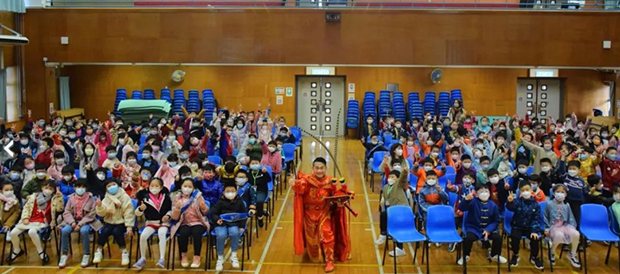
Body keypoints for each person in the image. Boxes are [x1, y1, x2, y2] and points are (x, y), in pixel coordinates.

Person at [290, 157, 351, 273]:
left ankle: (329, 260)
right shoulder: (307, 180)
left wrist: (341, 200)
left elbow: (337, 193)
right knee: (312, 241)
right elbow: (300, 187)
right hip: (309, 215)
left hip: (324, 212)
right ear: (312, 168)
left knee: (326, 233)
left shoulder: (330, 181)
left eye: (321, 168)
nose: (319, 171)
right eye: (316, 168)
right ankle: (315, 254)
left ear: (326, 168)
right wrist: (294, 184)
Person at [7, 180, 64, 265]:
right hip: (29, 220)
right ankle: (17, 250)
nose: (47, 190)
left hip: (43, 221)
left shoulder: (54, 198)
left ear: (53, 190)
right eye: (46, 188)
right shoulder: (33, 197)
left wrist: (60, 198)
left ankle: (41, 252)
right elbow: (26, 208)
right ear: (42, 188)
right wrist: (25, 218)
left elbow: (59, 209)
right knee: (13, 233)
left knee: (32, 232)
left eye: (50, 188)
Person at [58, 179, 102, 268]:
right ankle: (64, 254)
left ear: (86, 188)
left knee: (84, 231)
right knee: (65, 231)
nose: (80, 189)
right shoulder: (71, 198)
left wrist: (80, 224)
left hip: (87, 222)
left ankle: (86, 254)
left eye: (82, 187)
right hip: (72, 221)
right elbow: (66, 211)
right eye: (78, 187)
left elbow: (92, 214)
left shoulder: (91, 198)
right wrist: (72, 222)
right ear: (74, 188)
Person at [458, 184, 506, 265]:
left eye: (486, 191)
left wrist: (488, 230)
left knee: (498, 238)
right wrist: (466, 199)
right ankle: (466, 255)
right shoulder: (472, 202)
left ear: (489, 193)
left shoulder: (493, 205)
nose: (484, 193)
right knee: (468, 238)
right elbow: (461, 207)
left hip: (488, 229)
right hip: (474, 228)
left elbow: (496, 220)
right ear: (476, 194)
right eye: (481, 191)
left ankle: (495, 255)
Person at [93, 179, 135, 266]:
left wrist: (129, 226)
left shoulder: (124, 197)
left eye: (113, 184)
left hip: (122, 222)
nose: (112, 187)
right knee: (104, 231)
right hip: (109, 222)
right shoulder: (106, 198)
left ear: (118, 185)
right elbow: (102, 214)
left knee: (117, 232)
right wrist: (100, 206)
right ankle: (99, 251)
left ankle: (124, 253)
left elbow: (129, 212)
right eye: (109, 186)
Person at [170, 178, 210, 268]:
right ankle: (183, 255)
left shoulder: (198, 197)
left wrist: (203, 207)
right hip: (184, 223)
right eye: (185, 186)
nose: (187, 188)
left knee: (197, 233)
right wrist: (177, 209)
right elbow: (174, 217)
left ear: (193, 188)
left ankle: (197, 257)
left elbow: (205, 213)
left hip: (198, 222)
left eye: (189, 186)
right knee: (183, 233)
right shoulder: (176, 198)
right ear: (181, 187)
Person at [133, 178, 172, 269]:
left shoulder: (166, 197)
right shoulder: (145, 198)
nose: (154, 188)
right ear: (148, 187)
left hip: (163, 223)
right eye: (152, 186)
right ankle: (143, 258)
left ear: (161, 187)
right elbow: (137, 213)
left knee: (161, 233)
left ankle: (162, 258)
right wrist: (140, 209)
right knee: (143, 235)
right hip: (151, 222)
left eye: (157, 186)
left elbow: (170, 209)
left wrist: (168, 216)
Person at [506, 181, 543, 270]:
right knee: (514, 237)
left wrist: (534, 231)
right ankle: (515, 254)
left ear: (531, 190)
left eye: (527, 189)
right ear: (520, 192)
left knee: (535, 238)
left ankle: (534, 256)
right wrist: (510, 202)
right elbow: (510, 208)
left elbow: (536, 219)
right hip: (517, 226)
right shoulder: (517, 201)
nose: (525, 192)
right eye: (523, 190)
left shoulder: (535, 204)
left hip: (530, 227)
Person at [543, 184, 581, 268]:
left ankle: (572, 254)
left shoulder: (567, 206)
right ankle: (552, 252)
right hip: (553, 227)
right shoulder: (549, 204)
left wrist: (572, 227)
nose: (560, 194)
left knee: (576, 234)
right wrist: (546, 228)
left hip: (564, 226)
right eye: (558, 192)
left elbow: (570, 218)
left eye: (562, 192)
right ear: (553, 193)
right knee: (559, 235)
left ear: (565, 194)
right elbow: (545, 217)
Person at [211, 183, 247, 271]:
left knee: (235, 233)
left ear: (236, 192)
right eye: (227, 191)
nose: (230, 193)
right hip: (221, 223)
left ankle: (233, 255)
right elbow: (213, 213)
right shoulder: (220, 201)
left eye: (232, 191)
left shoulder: (239, 201)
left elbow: (243, 214)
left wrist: (242, 226)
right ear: (223, 192)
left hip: (234, 223)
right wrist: (217, 219)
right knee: (221, 236)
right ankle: (220, 258)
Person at [375, 167, 409, 257]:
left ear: (397, 178)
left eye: (393, 177)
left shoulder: (399, 184)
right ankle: (383, 234)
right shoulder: (386, 188)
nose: (390, 178)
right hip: (392, 211)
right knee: (383, 215)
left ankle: (400, 248)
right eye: (389, 176)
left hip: (402, 210)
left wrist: (404, 171)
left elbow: (403, 178)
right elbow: (387, 200)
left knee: (396, 224)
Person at [563, 160, 588, 226]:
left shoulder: (581, 181)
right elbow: (561, 170)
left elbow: (584, 192)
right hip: (567, 201)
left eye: (574, 169)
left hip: (578, 202)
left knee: (577, 218)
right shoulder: (565, 177)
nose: (572, 170)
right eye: (570, 169)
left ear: (579, 170)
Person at [247, 157, 271, 227]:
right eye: (253, 163)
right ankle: (260, 210)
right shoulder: (248, 173)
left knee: (259, 201)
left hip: (261, 191)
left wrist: (265, 173)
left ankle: (260, 217)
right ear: (249, 165)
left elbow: (269, 180)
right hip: (250, 192)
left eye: (256, 163)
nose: (254, 165)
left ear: (260, 164)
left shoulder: (262, 172)